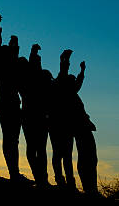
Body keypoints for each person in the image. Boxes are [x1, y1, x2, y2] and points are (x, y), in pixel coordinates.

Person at [0, 20, 24, 180]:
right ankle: (14, 173)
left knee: (11, 138)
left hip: (5, 102)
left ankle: (14, 171)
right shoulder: (4, 65)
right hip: (8, 102)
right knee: (11, 139)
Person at [20, 43, 53, 186]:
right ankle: (41, 178)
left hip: (36, 116)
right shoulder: (29, 80)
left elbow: (35, 66)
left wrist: (34, 52)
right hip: (33, 116)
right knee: (36, 149)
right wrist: (33, 52)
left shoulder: (33, 79)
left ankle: (42, 178)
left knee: (37, 149)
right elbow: (34, 66)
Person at [49, 49, 77, 190]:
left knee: (61, 155)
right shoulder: (60, 88)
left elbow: (65, 73)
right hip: (60, 124)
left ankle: (64, 181)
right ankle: (64, 181)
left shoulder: (60, 88)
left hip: (60, 124)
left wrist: (65, 59)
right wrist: (64, 59)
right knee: (64, 155)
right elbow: (64, 71)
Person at [69, 60, 98, 195]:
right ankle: (89, 188)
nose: (75, 82)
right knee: (87, 158)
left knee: (90, 158)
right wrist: (81, 71)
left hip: (83, 127)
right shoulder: (69, 95)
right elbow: (78, 83)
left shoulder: (72, 95)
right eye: (72, 80)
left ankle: (91, 187)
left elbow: (78, 83)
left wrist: (82, 71)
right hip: (80, 128)